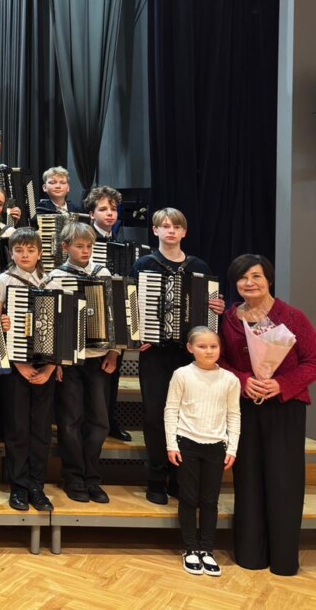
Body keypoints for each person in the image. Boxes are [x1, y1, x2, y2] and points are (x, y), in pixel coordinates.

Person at [218, 254, 316, 576]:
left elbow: (312, 361)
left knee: (284, 481)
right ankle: (251, 555)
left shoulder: (292, 316)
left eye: (256, 276)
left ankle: (284, 560)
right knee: (248, 480)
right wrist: (244, 380)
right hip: (246, 407)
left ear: (269, 279)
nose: (249, 283)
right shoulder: (229, 320)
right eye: (242, 278)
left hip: (285, 407)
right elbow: (221, 362)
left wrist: (281, 384)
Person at [131, 208, 222, 505]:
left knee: (185, 415)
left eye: (176, 226)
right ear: (155, 230)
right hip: (155, 355)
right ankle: (156, 479)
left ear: (184, 232)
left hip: (189, 356)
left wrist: (216, 309)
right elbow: (130, 303)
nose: (171, 231)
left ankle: (179, 478)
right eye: (165, 226)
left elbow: (210, 313)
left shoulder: (199, 266)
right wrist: (137, 334)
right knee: (155, 415)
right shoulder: (144, 264)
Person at [46, 222, 118, 503]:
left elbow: (114, 316)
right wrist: (56, 360)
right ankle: (74, 477)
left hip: (98, 359)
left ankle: (92, 477)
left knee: (99, 421)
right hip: (70, 361)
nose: (85, 251)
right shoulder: (55, 277)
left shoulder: (103, 273)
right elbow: (53, 323)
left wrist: (114, 352)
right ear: (65, 247)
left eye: (89, 246)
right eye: (79, 246)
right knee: (70, 420)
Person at [165, 325, 240, 576]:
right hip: (187, 444)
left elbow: (234, 415)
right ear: (190, 348)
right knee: (188, 498)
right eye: (202, 346)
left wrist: (232, 447)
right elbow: (171, 410)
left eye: (213, 346)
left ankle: (207, 549)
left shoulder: (230, 380)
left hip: (216, 447)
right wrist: (171, 444)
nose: (209, 351)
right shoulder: (182, 375)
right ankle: (190, 549)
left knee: (209, 500)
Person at [0, 228, 54, 513]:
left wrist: (51, 367)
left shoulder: (52, 281)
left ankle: (37, 486)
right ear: (11, 253)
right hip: (15, 370)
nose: (25, 255)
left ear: (40, 253)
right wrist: (19, 363)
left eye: (30, 250)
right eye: (19, 250)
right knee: (17, 429)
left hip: (45, 369)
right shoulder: (1, 282)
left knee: (41, 430)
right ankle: (18, 486)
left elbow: (64, 327)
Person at [85, 184, 133, 441]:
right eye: (103, 209)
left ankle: (111, 421)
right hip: (91, 313)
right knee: (93, 375)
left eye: (113, 209)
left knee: (113, 372)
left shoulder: (120, 243)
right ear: (91, 214)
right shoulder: (85, 239)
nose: (109, 213)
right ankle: (94, 423)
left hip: (116, 313)